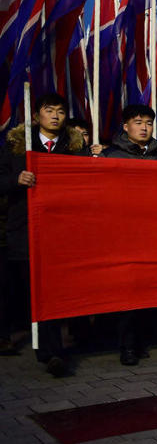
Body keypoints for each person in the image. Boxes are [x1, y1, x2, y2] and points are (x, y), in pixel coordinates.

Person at [0, 94, 88, 375]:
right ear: (36, 115)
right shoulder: (16, 147)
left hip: (62, 231)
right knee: (24, 288)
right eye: (49, 111)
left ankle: (51, 353)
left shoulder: (75, 148)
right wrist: (16, 180)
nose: (55, 116)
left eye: (61, 111)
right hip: (24, 228)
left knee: (50, 290)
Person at [100, 105, 157, 365]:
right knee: (128, 292)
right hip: (123, 234)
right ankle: (126, 345)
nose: (144, 127)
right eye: (138, 122)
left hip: (153, 234)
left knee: (148, 291)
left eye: (149, 123)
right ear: (125, 126)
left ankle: (141, 340)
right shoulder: (110, 156)